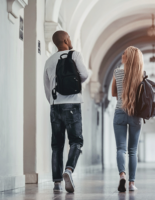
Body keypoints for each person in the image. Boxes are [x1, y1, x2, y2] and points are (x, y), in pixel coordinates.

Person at [44, 31, 89, 193]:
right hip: (73, 104)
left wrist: (54, 102)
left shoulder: (49, 60)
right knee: (76, 141)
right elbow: (84, 75)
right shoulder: (74, 55)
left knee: (57, 145)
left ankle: (57, 183)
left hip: (55, 105)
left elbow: (47, 88)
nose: (70, 39)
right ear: (65, 39)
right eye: (68, 37)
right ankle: (69, 170)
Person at [111, 46, 143, 192]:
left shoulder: (117, 72)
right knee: (132, 151)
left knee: (120, 149)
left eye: (123, 53)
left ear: (126, 58)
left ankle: (122, 175)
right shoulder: (141, 75)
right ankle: (131, 183)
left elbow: (113, 93)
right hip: (135, 114)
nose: (122, 55)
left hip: (119, 112)